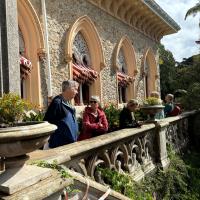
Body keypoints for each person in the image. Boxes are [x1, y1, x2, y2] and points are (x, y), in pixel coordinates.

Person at [44, 80, 79, 148]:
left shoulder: (68, 102)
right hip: (60, 146)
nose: (77, 92)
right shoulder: (57, 103)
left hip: (69, 144)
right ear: (69, 88)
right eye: (76, 89)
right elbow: (47, 122)